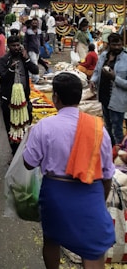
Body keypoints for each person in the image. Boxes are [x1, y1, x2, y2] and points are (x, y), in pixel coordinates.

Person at [23, 72, 115, 269]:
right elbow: (107, 174)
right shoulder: (98, 129)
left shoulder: (44, 126)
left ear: (55, 96)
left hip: (55, 195)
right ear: (80, 96)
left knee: (51, 239)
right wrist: (100, 199)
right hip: (90, 194)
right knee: (92, 248)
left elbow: (29, 163)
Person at [0, 34, 39, 154]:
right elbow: (3, 78)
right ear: (8, 46)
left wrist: (26, 59)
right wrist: (11, 69)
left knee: (26, 124)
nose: (16, 48)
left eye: (18, 45)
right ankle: (14, 153)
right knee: (10, 128)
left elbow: (35, 70)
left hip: (24, 99)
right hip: (8, 100)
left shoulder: (23, 58)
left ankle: (25, 151)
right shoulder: (4, 60)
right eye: (13, 46)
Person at [90, 32, 127, 146]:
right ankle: (109, 149)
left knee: (117, 128)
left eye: (119, 45)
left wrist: (114, 77)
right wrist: (93, 80)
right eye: (114, 45)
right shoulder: (104, 55)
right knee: (108, 126)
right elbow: (97, 70)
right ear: (109, 44)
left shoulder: (126, 58)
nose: (117, 47)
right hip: (104, 96)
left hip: (118, 99)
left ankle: (120, 153)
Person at [23, 18, 45, 84]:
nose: (34, 24)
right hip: (31, 49)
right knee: (34, 63)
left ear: (38, 24)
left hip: (37, 50)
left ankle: (30, 78)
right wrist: (25, 50)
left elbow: (42, 41)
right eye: (33, 23)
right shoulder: (28, 32)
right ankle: (36, 78)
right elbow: (25, 42)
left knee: (33, 63)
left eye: (36, 23)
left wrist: (45, 48)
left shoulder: (39, 31)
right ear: (31, 24)